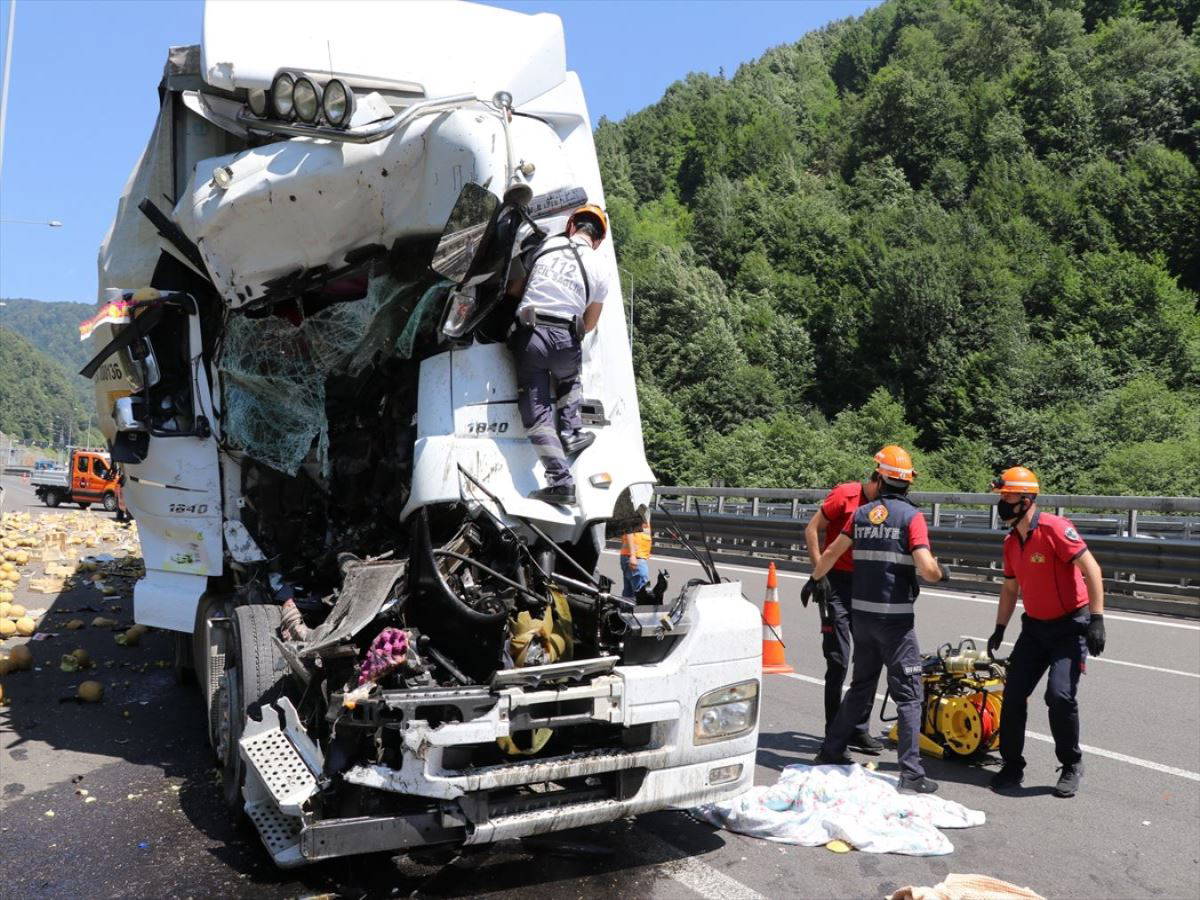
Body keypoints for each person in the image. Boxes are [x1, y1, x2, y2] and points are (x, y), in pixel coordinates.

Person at [806, 445, 949, 794]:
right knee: (909, 696)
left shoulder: (863, 514)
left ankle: (830, 750)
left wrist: (814, 580)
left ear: (880, 477)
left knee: (861, 685)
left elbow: (828, 554)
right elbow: (927, 569)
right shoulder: (911, 517)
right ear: (908, 483)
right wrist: (941, 573)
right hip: (896, 623)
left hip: (864, 618)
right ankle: (912, 773)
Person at [985, 466, 1105, 798]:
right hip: (1035, 629)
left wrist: (1097, 619)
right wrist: (999, 628)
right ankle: (1012, 764)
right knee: (1012, 695)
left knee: (1060, 696)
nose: (1003, 503)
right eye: (1002, 497)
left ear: (1026, 499)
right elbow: (1010, 590)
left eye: (1007, 497)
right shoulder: (1011, 542)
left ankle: (1071, 764)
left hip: (1070, 628)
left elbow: (1092, 568)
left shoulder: (1055, 529)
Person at [506, 204, 610, 505]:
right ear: (598, 239)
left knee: (537, 414)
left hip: (531, 335)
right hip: (566, 339)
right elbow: (589, 324)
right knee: (569, 376)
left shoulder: (548, 245)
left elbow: (514, 288)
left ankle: (561, 482)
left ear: (571, 226)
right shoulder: (601, 268)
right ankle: (572, 430)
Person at [801, 455, 893, 755]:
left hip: (865, 585)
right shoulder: (845, 495)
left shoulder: (885, 505)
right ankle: (834, 734)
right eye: (888, 486)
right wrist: (819, 573)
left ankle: (858, 729)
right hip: (835, 583)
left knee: (872, 656)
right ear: (876, 480)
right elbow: (811, 529)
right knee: (838, 659)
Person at [620, 517, 653, 599]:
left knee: (629, 596)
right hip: (635, 557)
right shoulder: (637, 508)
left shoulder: (643, 509)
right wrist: (633, 555)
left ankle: (626, 610)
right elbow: (629, 529)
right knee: (642, 595)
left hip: (632, 556)